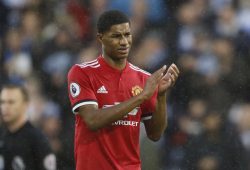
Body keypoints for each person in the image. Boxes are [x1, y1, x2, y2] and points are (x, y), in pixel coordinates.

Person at [67, 10, 180, 170]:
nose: (124, 42)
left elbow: (155, 134)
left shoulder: (143, 78)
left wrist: (161, 96)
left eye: (127, 35)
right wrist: (141, 97)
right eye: (116, 36)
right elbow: (92, 120)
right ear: (100, 38)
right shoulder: (82, 73)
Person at [0, 84, 56, 170]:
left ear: (25, 104)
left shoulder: (37, 140)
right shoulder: (2, 135)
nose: (5, 107)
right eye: (2, 102)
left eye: (11, 102)